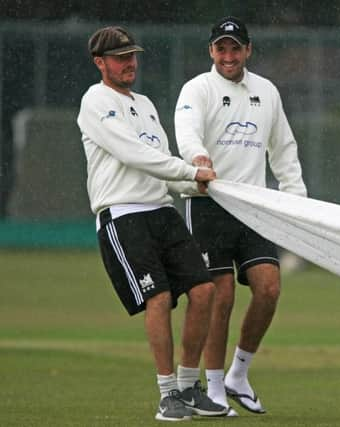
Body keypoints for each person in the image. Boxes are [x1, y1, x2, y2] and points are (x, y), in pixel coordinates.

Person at [77, 26, 229, 422]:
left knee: (203, 291)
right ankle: (167, 396)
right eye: (120, 57)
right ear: (100, 63)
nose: (130, 64)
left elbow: (160, 162)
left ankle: (188, 386)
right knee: (158, 298)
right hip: (122, 214)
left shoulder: (144, 103)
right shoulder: (95, 101)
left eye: (133, 56)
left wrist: (198, 179)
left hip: (162, 211)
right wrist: (189, 172)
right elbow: (133, 154)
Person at [174, 16, 307, 416]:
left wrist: (295, 197)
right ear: (211, 52)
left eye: (235, 48)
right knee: (222, 294)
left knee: (269, 289)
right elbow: (186, 130)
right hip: (209, 202)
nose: (228, 56)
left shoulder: (266, 91)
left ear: (248, 50)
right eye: (221, 48)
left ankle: (238, 374)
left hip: (254, 207)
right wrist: (197, 157)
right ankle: (213, 387)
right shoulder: (197, 88)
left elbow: (283, 148)